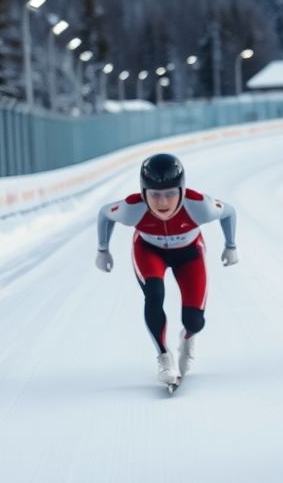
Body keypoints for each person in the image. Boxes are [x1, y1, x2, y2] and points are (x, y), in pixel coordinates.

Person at [95, 152, 238, 386]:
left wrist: (231, 245)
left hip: (189, 253)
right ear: (143, 193)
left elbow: (229, 211)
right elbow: (104, 213)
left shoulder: (200, 206)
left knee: (194, 321)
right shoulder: (132, 208)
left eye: (171, 193)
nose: (163, 203)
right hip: (149, 251)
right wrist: (102, 249)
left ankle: (187, 337)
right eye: (155, 195)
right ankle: (164, 356)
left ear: (182, 190)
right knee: (154, 294)